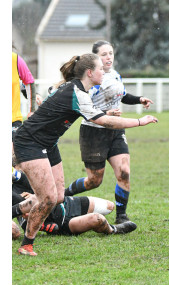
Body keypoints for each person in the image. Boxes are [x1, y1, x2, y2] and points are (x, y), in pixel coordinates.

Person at [13, 53, 158, 256]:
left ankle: (11, 213)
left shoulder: (78, 90)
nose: (104, 71)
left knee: (59, 196)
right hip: (30, 142)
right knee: (47, 198)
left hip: (48, 144)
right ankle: (27, 245)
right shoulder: (76, 92)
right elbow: (103, 121)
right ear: (90, 73)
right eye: (100, 68)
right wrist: (140, 121)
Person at [63, 40, 154, 225]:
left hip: (116, 129)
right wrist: (106, 114)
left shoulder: (114, 75)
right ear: (96, 58)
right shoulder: (90, 81)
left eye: (111, 53)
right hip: (93, 133)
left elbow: (122, 96)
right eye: (104, 54)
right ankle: (64, 196)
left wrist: (139, 99)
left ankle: (122, 216)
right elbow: (83, 108)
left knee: (124, 171)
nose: (108, 57)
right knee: (94, 181)